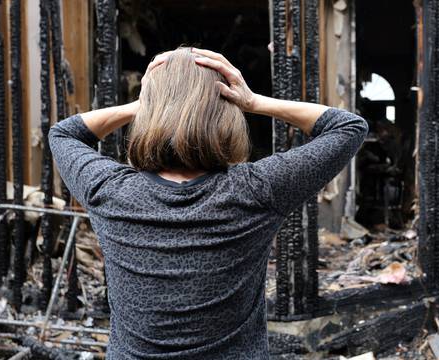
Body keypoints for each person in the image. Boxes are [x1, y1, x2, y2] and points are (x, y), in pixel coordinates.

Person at [48, 47, 368, 359]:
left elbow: (64, 135)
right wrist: (254, 101)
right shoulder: (256, 190)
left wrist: (144, 104)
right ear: (227, 111)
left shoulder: (109, 191)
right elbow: (347, 127)